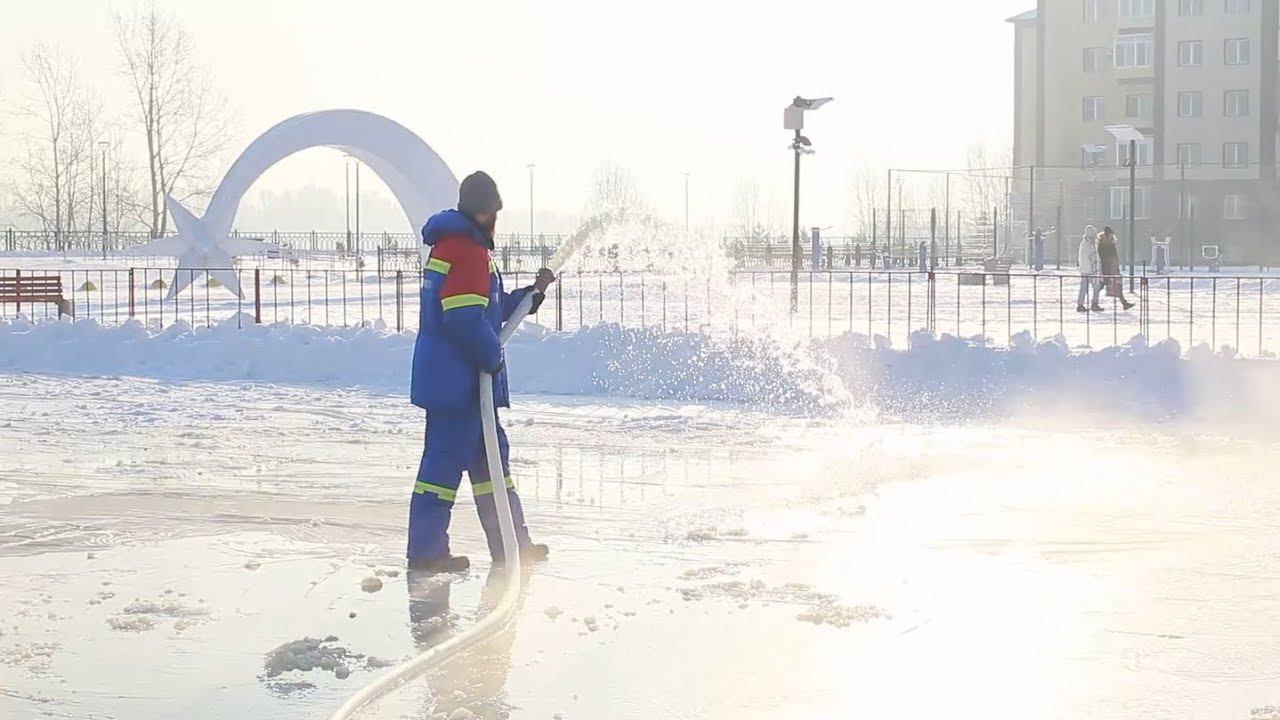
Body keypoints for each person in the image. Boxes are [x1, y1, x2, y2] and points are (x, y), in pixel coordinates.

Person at [407, 171, 556, 574]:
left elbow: (486, 309)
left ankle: (512, 544)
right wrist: (492, 356)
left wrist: (530, 295)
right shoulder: (466, 251)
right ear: (488, 212)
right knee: (440, 470)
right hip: (458, 383)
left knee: (492, 468)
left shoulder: (455, 247)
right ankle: (426, 551)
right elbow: (464, 320)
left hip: (460, 383)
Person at [1096, 226, 1135, 310]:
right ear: (1107, 235)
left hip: (1112, 268)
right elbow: (1103, 257)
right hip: (1107, 269)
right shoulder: (1103, 244)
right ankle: (1094, 302)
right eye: (1110, 234)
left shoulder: (1110, 243)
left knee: (1117, 285)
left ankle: (1124, 303)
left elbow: (1114, 257)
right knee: (1101, 286)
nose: (1112, 235)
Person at [1076, 231, 1103, 312]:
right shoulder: (1088, 245)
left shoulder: (1085, 244)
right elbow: (1092, 257)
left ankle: (1081, 304)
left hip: (1086, 269)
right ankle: (1093, 303)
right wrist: (1094, 268)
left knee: (1085, 288)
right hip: (1090, 270)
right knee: (1094, 286)